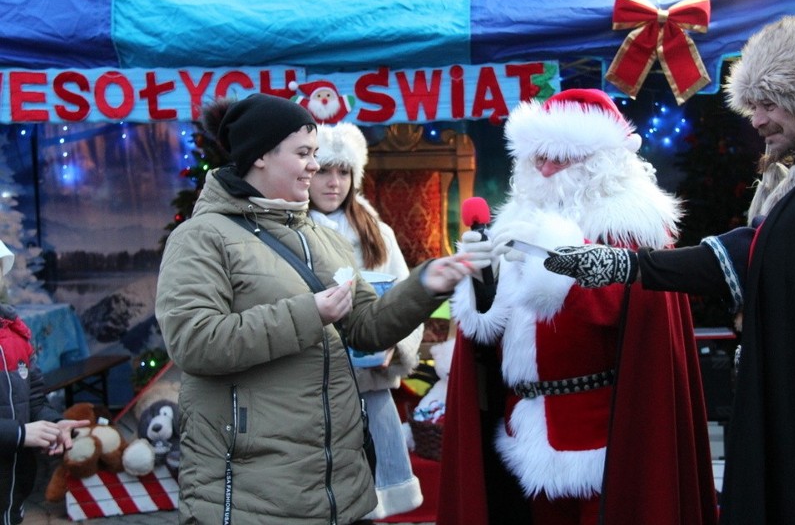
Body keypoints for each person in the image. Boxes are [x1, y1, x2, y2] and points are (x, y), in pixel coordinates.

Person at [541, 16, 795, 524]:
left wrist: (627, 263)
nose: (756, 120)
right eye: (752, 105)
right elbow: (753, 251)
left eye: (768, 103)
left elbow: (760, 254)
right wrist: (626, 265)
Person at [155, 93, 472, 525]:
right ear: (261, 156)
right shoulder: (201, 238)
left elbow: (366, 326)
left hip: (338, 489)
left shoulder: (324, 239)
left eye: (316, 155)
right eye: (304, 154)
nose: (313, 166)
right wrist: (310, 314)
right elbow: (195, 342)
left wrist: (425, 284)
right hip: (253, 491)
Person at [439, 88, 717, 525]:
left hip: (604, 432)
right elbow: (491, 335)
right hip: (525, 429)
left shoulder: (631, 229)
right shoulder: (514, 225)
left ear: (598, 162)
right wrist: (482, 285)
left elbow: (615, 309)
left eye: (560, 158)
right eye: (538, 158)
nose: (546, 170)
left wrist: (556, 258)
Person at [308, 122, 424, 519]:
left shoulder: (378, 232)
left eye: (343, 172)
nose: (333, 182)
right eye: (324, 170)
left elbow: (406, 297)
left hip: (370, 385)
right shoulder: (292, 233)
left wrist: (395, 345)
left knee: (372, 498)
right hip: (312, 389)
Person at [0, 240, 89, 525]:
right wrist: (21, 434)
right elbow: (21, 430)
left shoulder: (16, 336)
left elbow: (34, 400)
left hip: (13, 494)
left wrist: (52, 424)